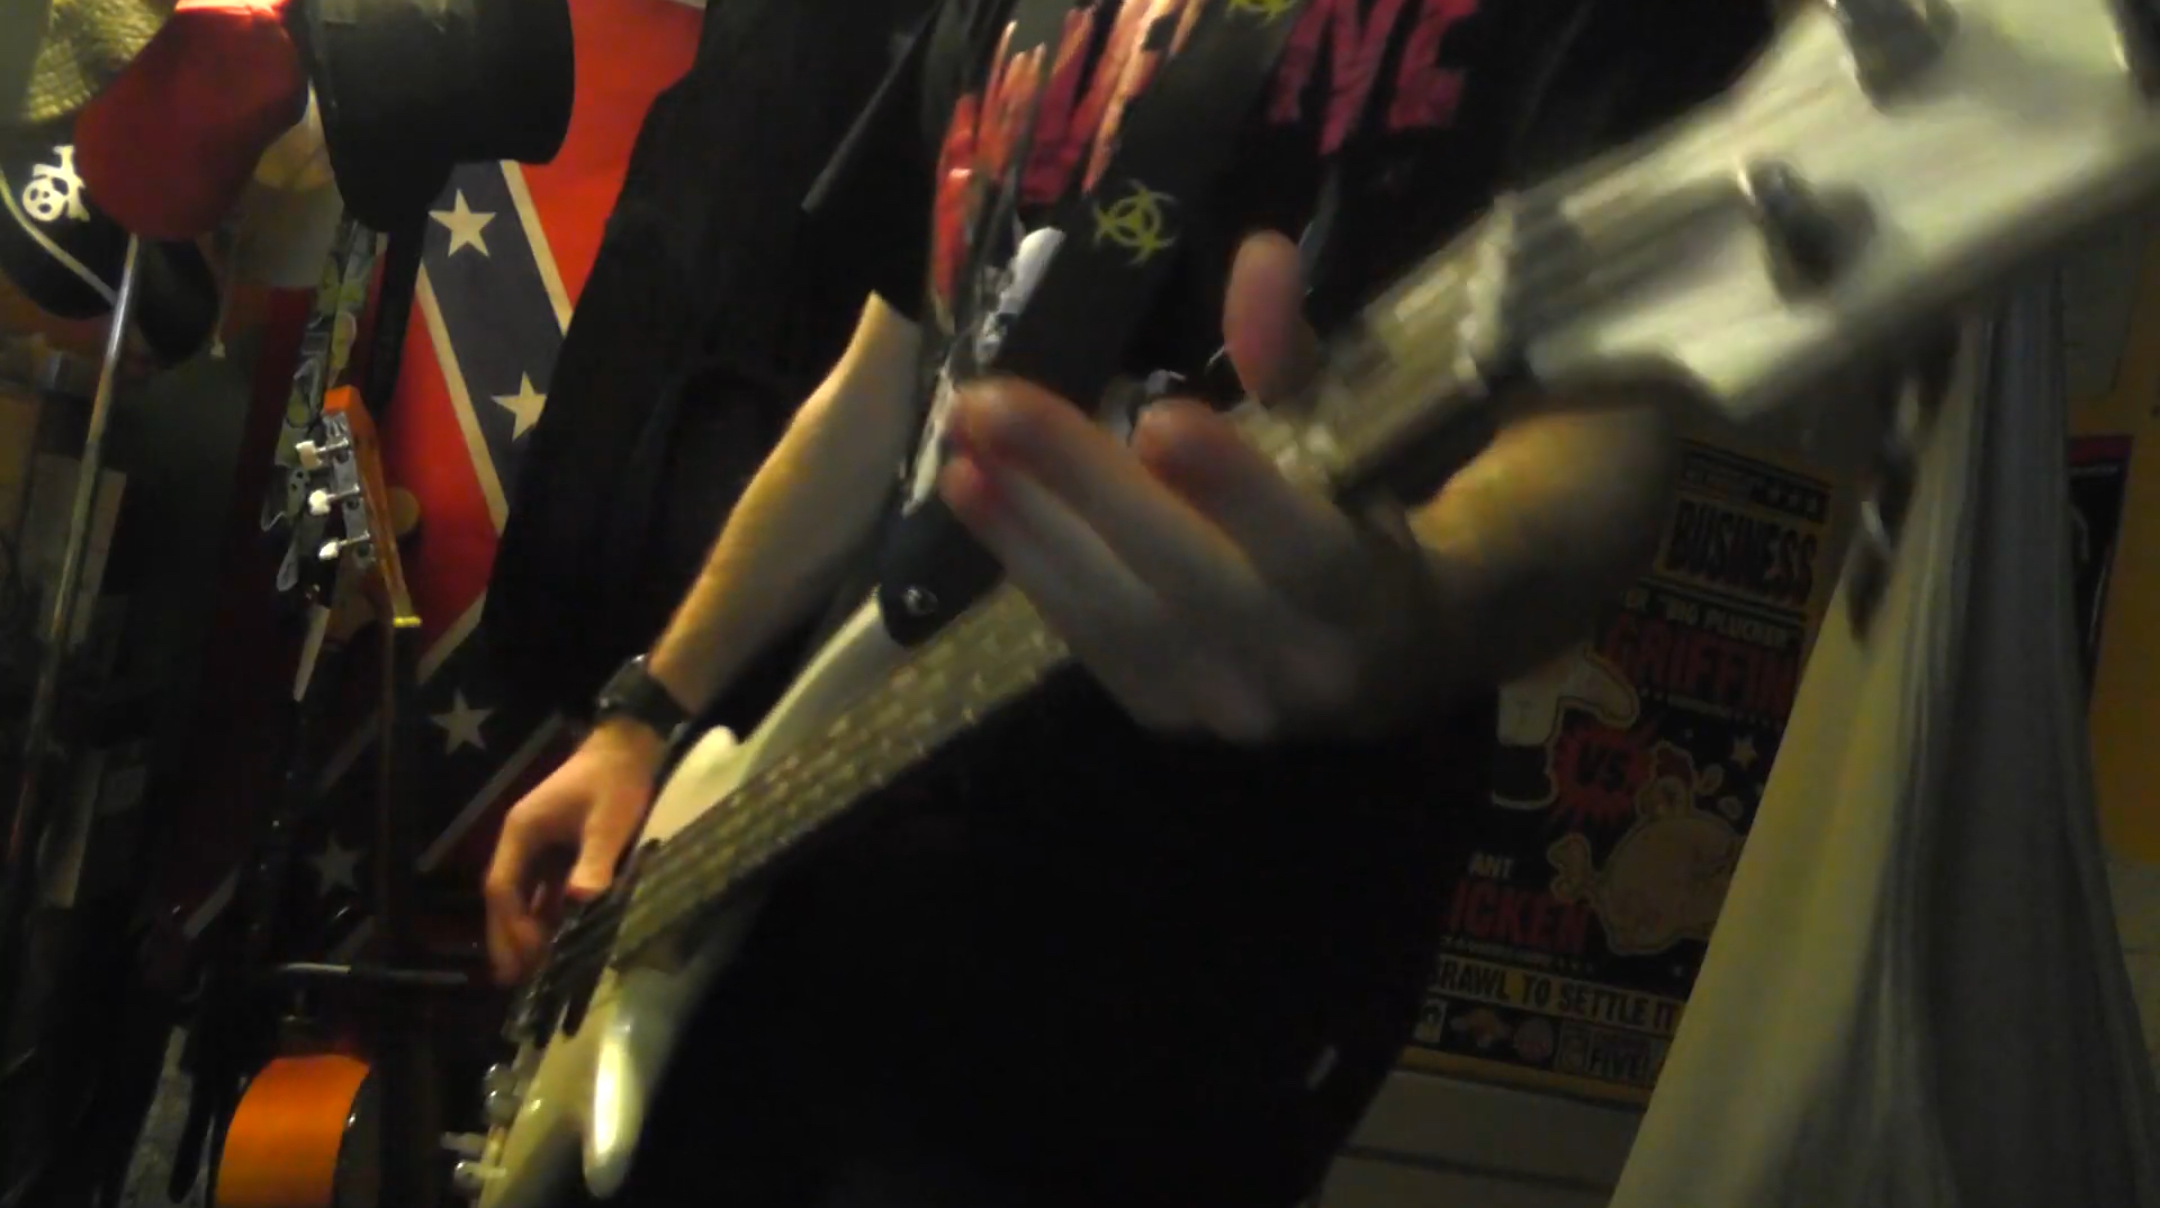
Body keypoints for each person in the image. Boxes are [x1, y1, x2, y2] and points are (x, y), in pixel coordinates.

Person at [484, 0, 1772, 1205]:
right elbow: (884, 385)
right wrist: (646, 712)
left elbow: (1603, 427)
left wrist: (1423, 608)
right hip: (805, 866)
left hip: (1165, 981)